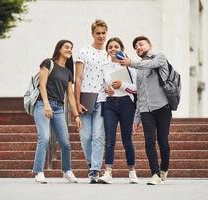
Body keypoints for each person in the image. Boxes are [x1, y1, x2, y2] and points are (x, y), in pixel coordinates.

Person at [119, 36, 172, 185]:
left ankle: (164, 169)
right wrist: (137, 118)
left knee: (163, 141)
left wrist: (131, 63)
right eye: (136, 46)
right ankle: (154, 174)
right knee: (149, 141)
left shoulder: (160, 57)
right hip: (146, 110)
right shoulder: (139, 69)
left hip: (163, 107)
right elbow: (140, 94)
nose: (138, 47)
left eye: (141, 44)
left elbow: (151, 64)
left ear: (150, 45)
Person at [32, 39, 82, 184]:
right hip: (42, 104)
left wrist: (76, 116)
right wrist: (47, 105)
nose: (69, 49)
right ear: (59, 49)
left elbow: (70, 96)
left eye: (71, 48)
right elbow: (42, 85)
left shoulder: (67, 72)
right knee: (45, 137)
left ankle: (67, 171)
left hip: (59, 108)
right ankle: (38, 171)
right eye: (66, 47)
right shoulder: (48, 63)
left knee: (65, 142)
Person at [98, 37, 138, 184]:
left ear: (121, 49)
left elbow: (137, 88)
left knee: (127, 138)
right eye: (110, 47)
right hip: (110, 104)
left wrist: (122, 85)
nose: (113, 49)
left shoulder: (129, 66)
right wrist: (106, 89)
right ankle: (108, 172)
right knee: (110, 139)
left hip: (126, 104)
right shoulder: (104, 66)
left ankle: (132, 172)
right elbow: (101, 87)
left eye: (116, 46)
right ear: (107, 50)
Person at [74, 19, 108, 183]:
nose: (101, 36)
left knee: (98, 136)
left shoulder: (109, 54)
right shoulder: (83, 52)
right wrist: (77, 101)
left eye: (103, 33)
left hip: (102, 100)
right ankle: (90, 163)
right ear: (92, 34)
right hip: (85, 99)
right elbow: (78, 78)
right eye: (98, 33)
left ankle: (95, 169)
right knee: (85, 136)